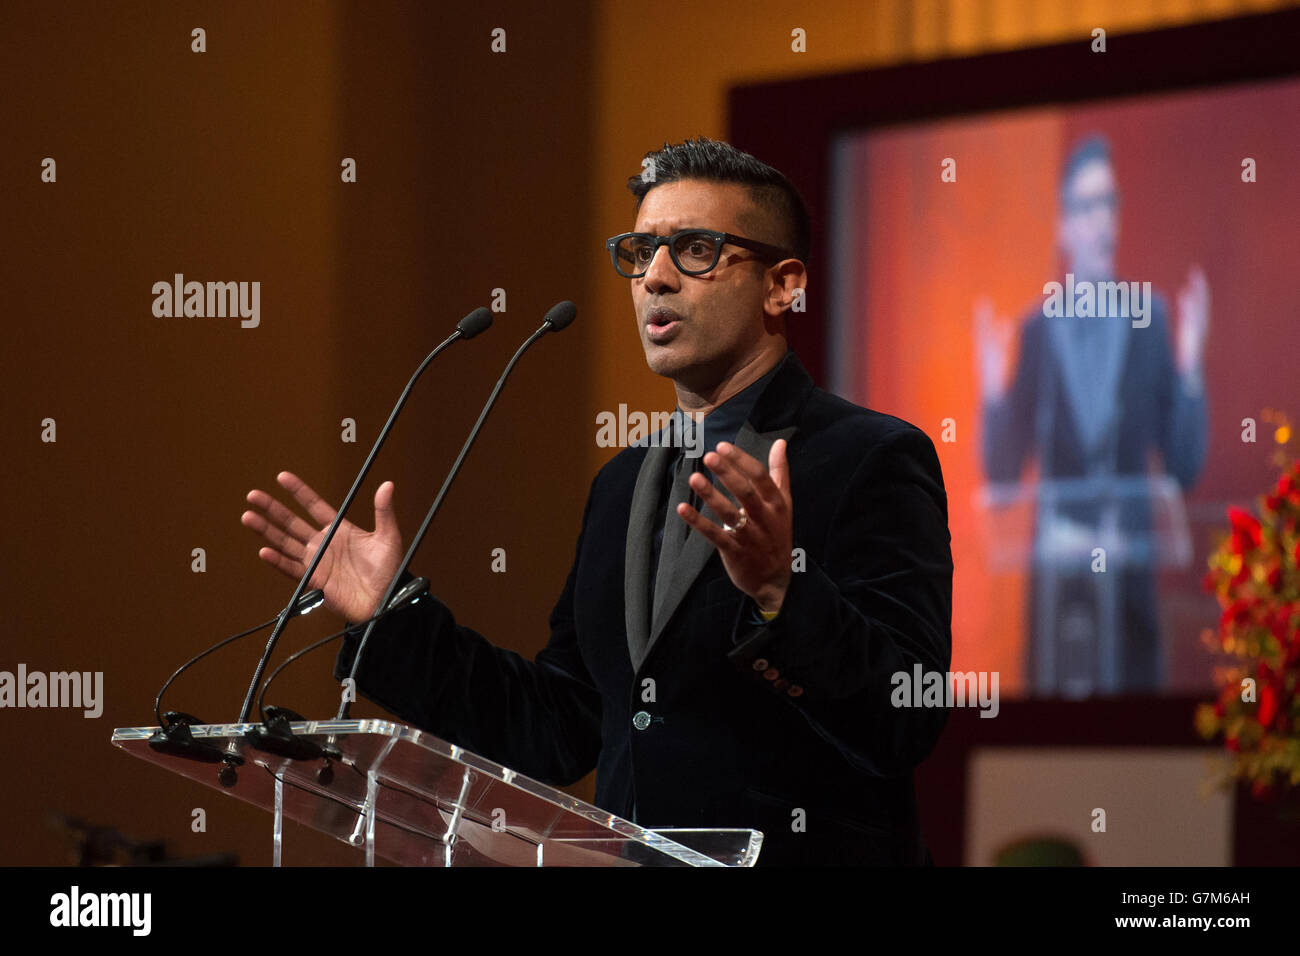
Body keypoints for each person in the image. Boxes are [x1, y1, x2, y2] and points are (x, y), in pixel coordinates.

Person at [243, 137, 953, 865]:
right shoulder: (621, 484)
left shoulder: (868, 458)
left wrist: (782, 593)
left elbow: (906, 715)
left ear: (783, 285)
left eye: (696, 249)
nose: (656, 278)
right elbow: (560, 727)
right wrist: (393, 620)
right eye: (641, 252)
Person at [975, 134, 1209, 695]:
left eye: (1109, 203)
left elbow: (1182, 469)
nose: (1101, 219)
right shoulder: (1038, 331)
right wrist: (990, 388)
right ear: (1062, 227)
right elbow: (1005, 479)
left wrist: (1191, 365)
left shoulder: (1151, 321)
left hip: (1128, 584)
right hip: (1059, 588)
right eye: (1086, 206)